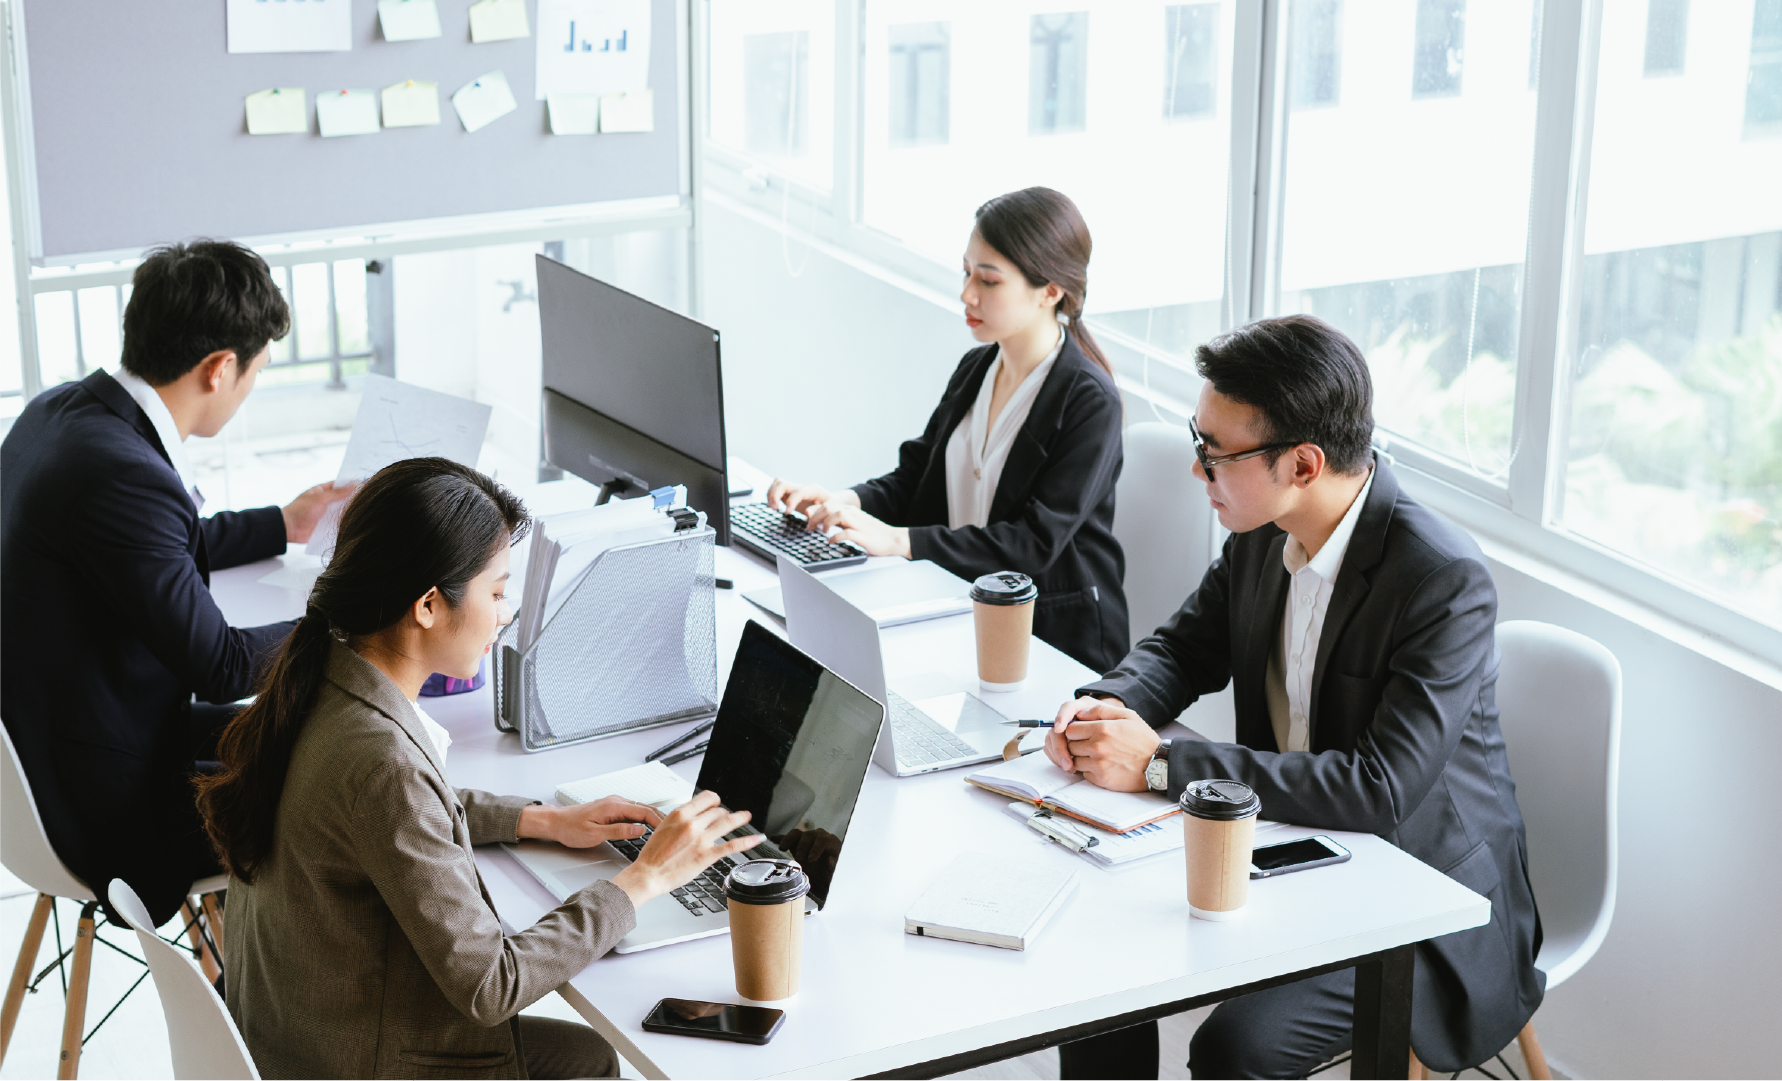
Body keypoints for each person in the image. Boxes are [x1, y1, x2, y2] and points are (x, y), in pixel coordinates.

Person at [1042, 316, 1544, 1079]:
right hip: (1291, 844)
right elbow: (1181, 648)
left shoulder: (1440, 579)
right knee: (1095, 945)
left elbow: (1378, 787)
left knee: (1233, 1047)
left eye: (1215, 452)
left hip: (1420, 896)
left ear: (1303, 463)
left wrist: (1159, 763)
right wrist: (1099, 708)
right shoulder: (1260, 530)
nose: (1196, 469)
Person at [199, 458, 765, 1081]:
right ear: (427, 606)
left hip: (299, 1037)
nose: (506, 612)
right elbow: (492, 985)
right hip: (357, 1063)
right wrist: (643, 881)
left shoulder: (322, 679)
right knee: (592, 1061)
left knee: (585, 1053)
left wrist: (541, 820)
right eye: (496, 592)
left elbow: (402, 809)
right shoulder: (381, 763)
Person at [0, 239, 352, 923]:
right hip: (102, 804)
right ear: (219, 368)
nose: (248, 390)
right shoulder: (123, 474)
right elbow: (223, 667)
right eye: (255, 372)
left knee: (292, 735)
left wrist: (283, 524)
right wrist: (352, 622)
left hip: (49, 748)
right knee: (334, 795)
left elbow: (141, 548)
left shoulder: (61, 414)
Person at [764, 187, 1129, 671]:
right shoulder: (977, 368)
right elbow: (915, 479)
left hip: (1052, 643)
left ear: (1050, 291)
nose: (967, 294)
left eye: (989, 280)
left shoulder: (1090, 401)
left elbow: (1032, 543)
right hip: (956, 609)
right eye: (966, 272)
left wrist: (901, 542)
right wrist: (842, 502)